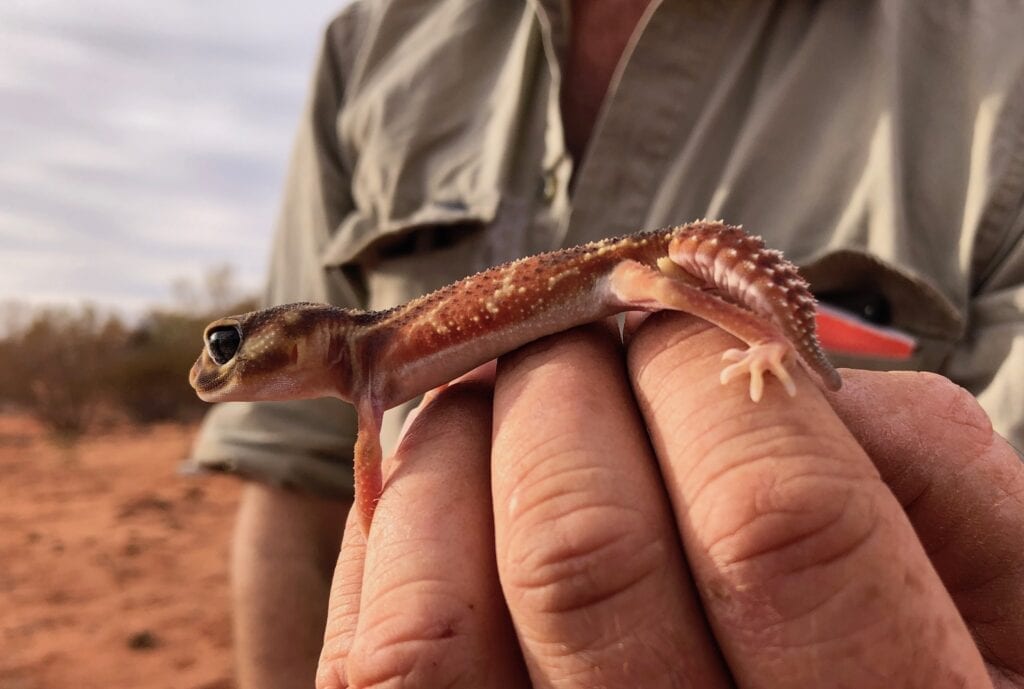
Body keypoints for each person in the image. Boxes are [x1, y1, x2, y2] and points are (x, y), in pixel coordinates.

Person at [189, 1, 1024, 687]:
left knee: (660, 289)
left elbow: (368, 498)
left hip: (615, 273)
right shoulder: (370, 46)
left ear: (299, 334)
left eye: (229, 346)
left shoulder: (992, 56)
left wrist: (768, 336)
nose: (219, 369)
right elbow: (290, 483)